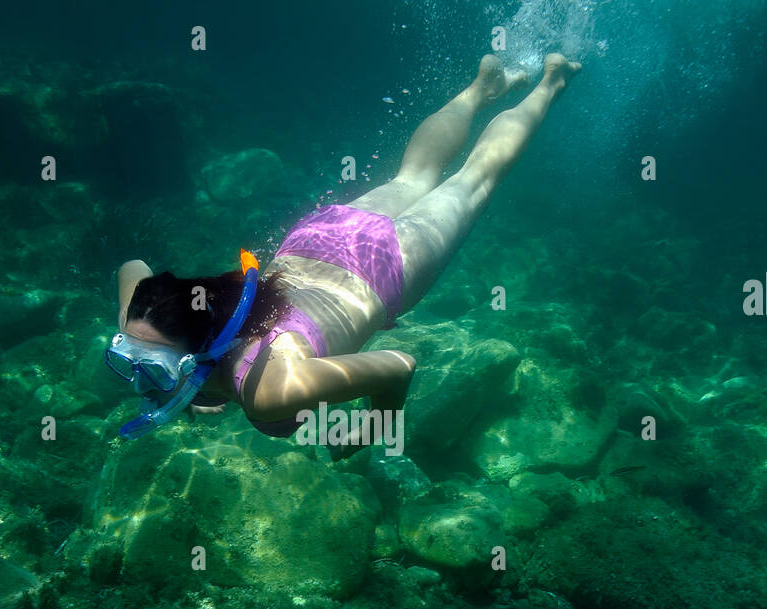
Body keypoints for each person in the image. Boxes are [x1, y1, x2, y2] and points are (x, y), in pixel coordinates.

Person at [106, 53, 581, 456]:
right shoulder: (156, 314)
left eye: (149, 366)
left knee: (474, 179)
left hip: (384, 267)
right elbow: (133, 268)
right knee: (412, 177)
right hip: (320, 241)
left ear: (194, 354)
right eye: (126, 356)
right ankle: (482, 86)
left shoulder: (270, 392)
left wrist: (376, 427)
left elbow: (399, 364)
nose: (137, 379)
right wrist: (150, 344)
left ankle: (551, 80)